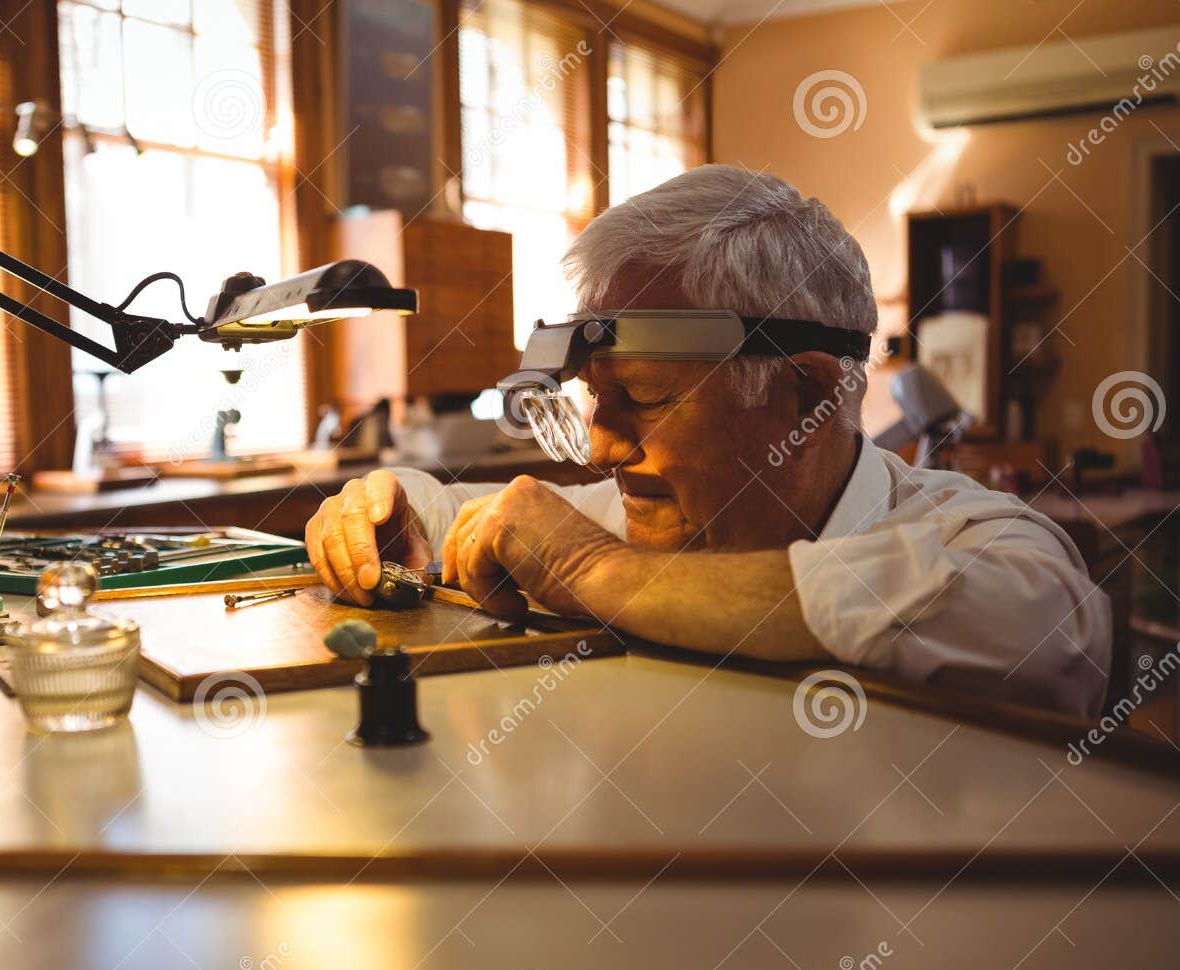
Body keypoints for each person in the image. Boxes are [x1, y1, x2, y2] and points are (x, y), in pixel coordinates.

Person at [304, 166, 1110, 717]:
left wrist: (592, 570)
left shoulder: (976, 542)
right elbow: (450, 515)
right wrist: (391, 511)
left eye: (646, 397)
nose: (602, 449)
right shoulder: (634, 509)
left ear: (807, 393)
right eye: (596, 398)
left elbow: (1051, 630)